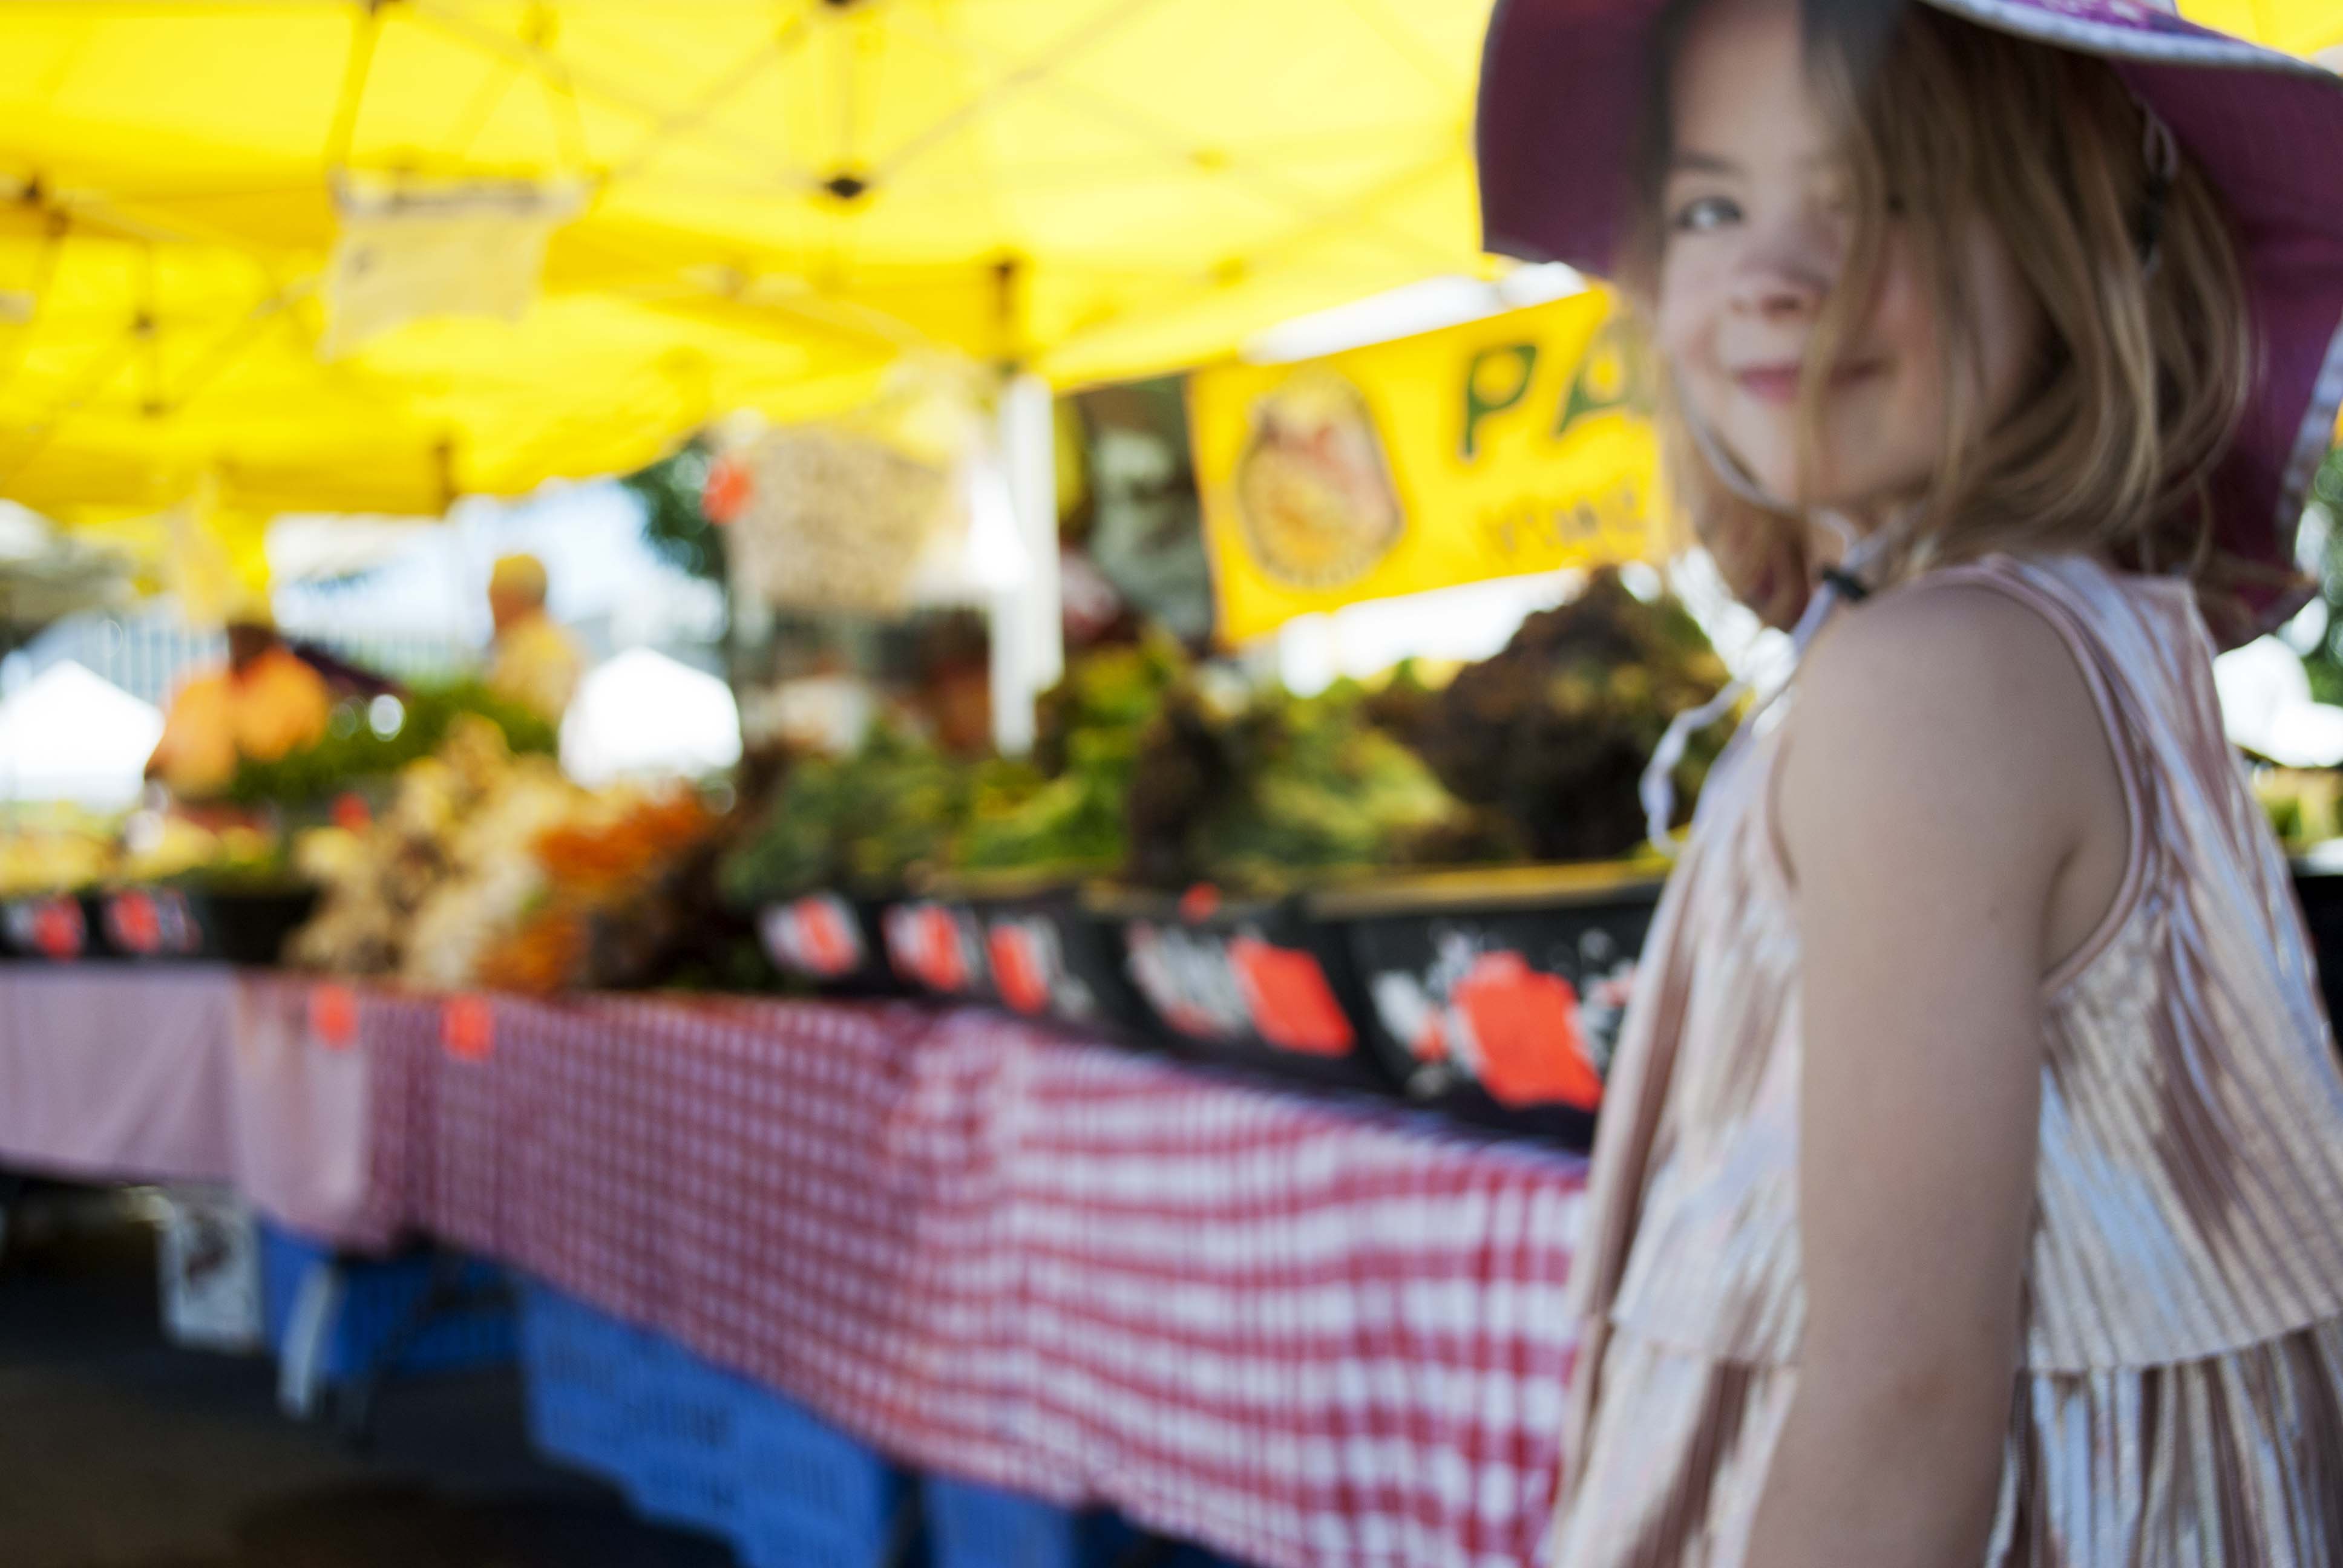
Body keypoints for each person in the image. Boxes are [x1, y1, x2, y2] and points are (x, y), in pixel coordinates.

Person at [1474, 0, 2343, 1561]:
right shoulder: (2048, 635)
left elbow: (1898, 1411)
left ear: (2075, 249)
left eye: (1880, 195)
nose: (1772, 272)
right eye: (1710, 206)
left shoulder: (1927, 685)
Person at [146, 603, 332, 800]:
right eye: (236, 626)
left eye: (250, 626)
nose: (241, 635)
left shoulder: (301, 687)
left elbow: (313, 769)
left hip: (270, 810)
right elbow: (158, 763)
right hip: (187, 809)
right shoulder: (195, 688)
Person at [485, 552, 584, 724]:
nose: (492, 610)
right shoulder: (522, 645)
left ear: (516, 597)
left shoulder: (548, 649)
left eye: (495, 598)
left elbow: (544, 722)